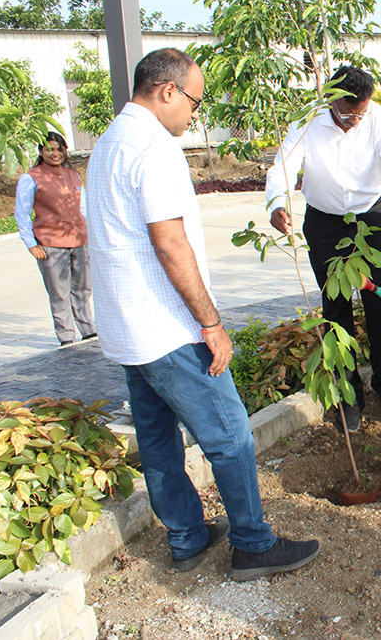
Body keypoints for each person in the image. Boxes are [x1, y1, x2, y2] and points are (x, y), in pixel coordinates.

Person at [85, 48, 319, 581]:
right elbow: (170, 244)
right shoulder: (154, 148)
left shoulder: (109, 143)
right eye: (194, 100)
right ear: (166, 90)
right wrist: (210, 325)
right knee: (230, 434)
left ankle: (187, 537)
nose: (196, 114)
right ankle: (253, 545)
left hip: (128, 330)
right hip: (168, 329)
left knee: (158, 439)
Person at [266, 65, 381, 433]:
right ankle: (347, 393)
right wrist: (278, 201)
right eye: (346, 113)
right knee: (335, 307)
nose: (355, 120)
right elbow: (283, 165)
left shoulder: (379, 121)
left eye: (361, 113)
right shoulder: (308, 121)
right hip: (324, 223)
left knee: (378, 304)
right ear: (330, 100)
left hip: (371, 220)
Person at [14, 131, 96, 346]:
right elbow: (22, 213)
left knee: (83, 289)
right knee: (59, 294)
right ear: (41, 151)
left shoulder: (73, 175)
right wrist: (31, 244)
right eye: (50, 149)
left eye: (60, 149)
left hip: (80, 240)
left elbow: (83, 207)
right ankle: (66, 337)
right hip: (50, 244)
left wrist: (91, 234)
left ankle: (88, 331)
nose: (55, 153)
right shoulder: (30, 178)